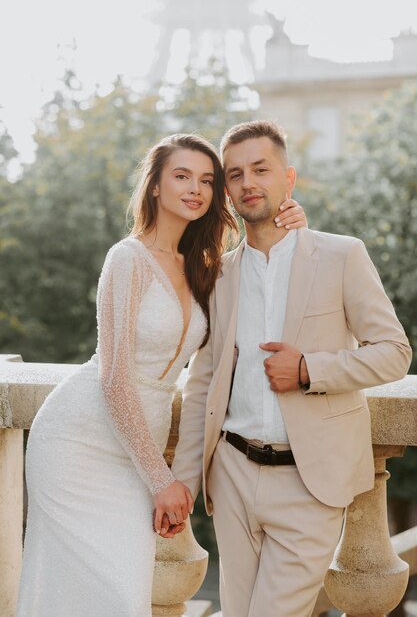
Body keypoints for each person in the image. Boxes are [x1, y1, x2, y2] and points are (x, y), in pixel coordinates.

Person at [16, 132, 307, 617]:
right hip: (78, 444)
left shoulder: (203, 266)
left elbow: (267, 291)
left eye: (207, 180)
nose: (195, 188)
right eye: (181, 176)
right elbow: (114, 380)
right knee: (85, 592)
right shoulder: (126, 258)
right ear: (154, 186)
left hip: (137, 451)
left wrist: (292, 224)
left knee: (125, 595)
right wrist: (162, 480)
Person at [170, 120, 412, 617]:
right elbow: (202, 385)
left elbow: (394, 350)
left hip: (310, 481)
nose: (248, 183)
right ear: (227, 190)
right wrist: (184, 482)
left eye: (261, 169)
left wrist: (309, 371)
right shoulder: (218, 273)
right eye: (234, 174)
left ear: (289, 178)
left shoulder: (342, 255)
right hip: (232, 475)